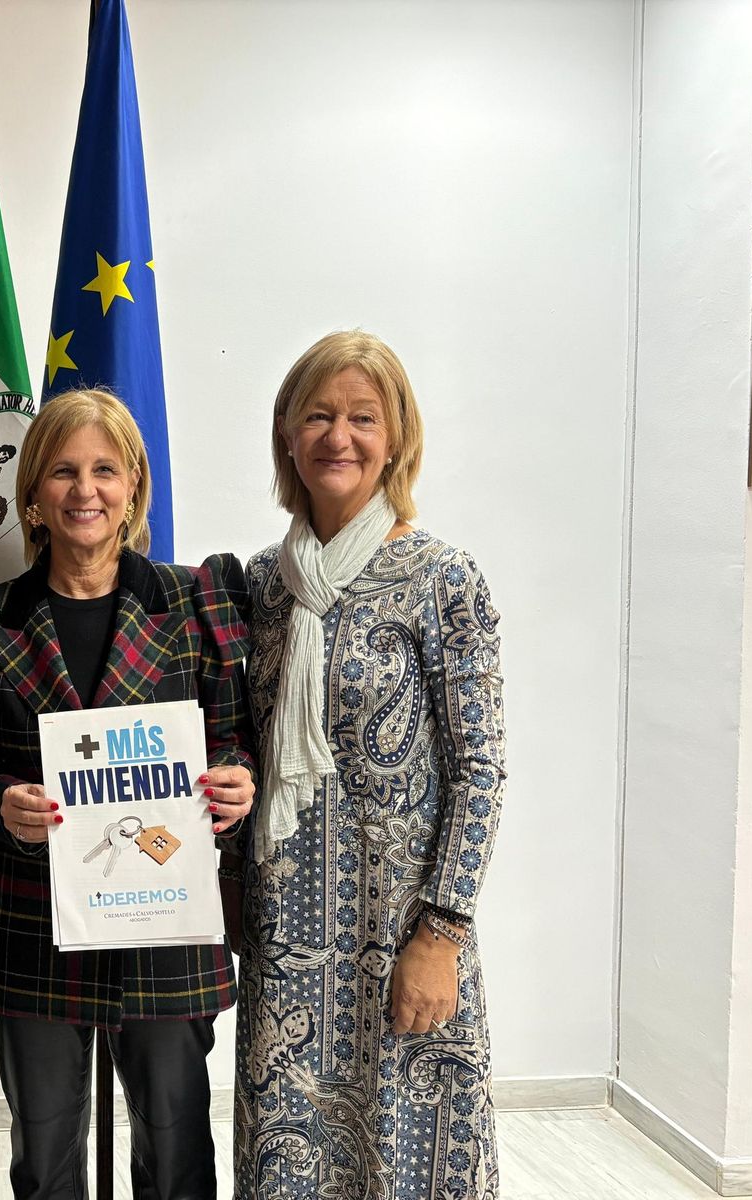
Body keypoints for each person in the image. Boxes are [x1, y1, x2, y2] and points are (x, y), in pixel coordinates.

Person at [0, 389, 257, 1199]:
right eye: (63, 472)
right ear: (33, 497)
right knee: (44, 1161)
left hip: (167, 918)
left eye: (105, 470)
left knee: (177, 1155)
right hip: (33, 921)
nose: (85, 490)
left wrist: (237, 782)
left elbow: (232, 741)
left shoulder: (195, 601)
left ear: (133, 487)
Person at [232, 331, 506, 1199]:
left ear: (396, 440)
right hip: (285, 942)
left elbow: (481, 772)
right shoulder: (261, 585)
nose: (337, 437)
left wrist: (442, 936)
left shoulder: (442, 579)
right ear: (287, 435)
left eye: (362, 418)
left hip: (400, 933)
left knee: (410, 1161)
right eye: (317, 416)